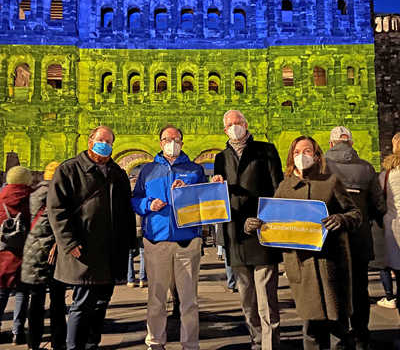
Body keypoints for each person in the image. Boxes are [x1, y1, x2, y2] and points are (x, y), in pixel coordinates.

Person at [246, 136, 360, 350]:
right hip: (302, 266)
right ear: (291, 157)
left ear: (317, 156)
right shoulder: (285, 187)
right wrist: (253, 226)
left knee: (339, 329)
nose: (302, 156)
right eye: (297, 152)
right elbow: (273, 223)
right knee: (310, 329)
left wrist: (342, 219)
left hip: (331, 265)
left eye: (307, 151)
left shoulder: (331, 182)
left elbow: (355, 213)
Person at [47, 126, 136, 350]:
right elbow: (56, 209)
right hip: (83, 248)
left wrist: (129, 243)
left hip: (111, 250)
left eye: (108, 141)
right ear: (90, 142)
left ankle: (91, 343)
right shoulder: (69, 169)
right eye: (100, 140)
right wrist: (68, 242)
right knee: (82, 301)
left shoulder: (117, 172)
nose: (104, 144)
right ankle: (74, 346)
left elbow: (126, 211)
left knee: (101, 302)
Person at [212, 110, 283, 350]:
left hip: (261, 231)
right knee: (246, 298)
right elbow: (219, 197)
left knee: (266, 297)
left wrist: (264, 219)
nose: (235, 127)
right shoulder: (221, 158)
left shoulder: (266, 150)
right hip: (235, 235)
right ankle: (255, 338)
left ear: (246, 124)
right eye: (230, 124)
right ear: (225, 130)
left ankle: (269, 343)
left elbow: (277, 189)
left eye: (238, 122)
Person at [132, 124, 206, 350]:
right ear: (160, 142)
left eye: (175, 139)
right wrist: (148, 204)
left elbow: (205, 200)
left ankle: (190, 344)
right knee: (156, 299)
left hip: (187, 241)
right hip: (157, 240)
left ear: (182, 142)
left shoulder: (195, 170)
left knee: (189, 301)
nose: (171, 142)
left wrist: (188, 192)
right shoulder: (148, 170)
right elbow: (135, 199)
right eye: (166, 139)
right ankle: (155, 342)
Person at [325, 126, 386, 350]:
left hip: (331, 239)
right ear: (351, 143)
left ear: (331, 144)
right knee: (360, 290)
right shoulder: (367, 168)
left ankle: (339, 338)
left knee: (334, 290)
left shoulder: (322, 168)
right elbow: (379, 205)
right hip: (359, 238)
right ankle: (361, 336)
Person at [21, 161, 67, 350]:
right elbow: (58, 225)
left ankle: (33, 342)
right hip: (52, 255)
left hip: (31, 253)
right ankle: (58, 342)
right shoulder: (59, 196)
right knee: (57, 301)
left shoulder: (31, 195)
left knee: (36, 300)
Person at [0, 166, 32, 345]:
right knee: (22, 294)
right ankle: (17, 332)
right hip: (25, 254)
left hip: (3, 252)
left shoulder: (0, 197)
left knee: (1, 292)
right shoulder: (31, 199)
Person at [378, 132, 400, 313]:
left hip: (394, 227)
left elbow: (379, 202)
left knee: (388, 265)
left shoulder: (386, 176)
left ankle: (390, 296)